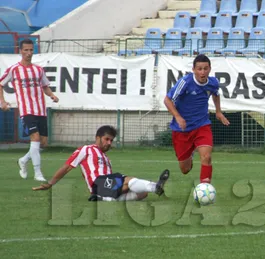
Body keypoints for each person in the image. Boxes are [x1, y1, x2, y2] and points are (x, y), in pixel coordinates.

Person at [32, 125, 170, 201]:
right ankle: (154, 186)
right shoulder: (86, 149)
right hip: (99, 183)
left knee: (142, 194)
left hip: (107, 184)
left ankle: (103, 198)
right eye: (106, 139)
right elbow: (67, 167)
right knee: (128, 180)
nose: (109, 143)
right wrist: (50, 183)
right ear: (98, 138)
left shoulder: (106, 158)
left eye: (111, 140)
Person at [164, 54, 229, 184]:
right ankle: (191, 153)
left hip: (202, 125)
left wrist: (218, 111)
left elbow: (215, 94)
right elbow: (167, 100)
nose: (202, 72)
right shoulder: (185, 82)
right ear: (193, 69)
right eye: (199, 69)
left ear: (210, 69)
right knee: (185, 169)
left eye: (205, 68)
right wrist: (178, 117)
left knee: (207, 156)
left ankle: (205, 188)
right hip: (182, 129)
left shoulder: (213, 82)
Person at [0, 38, 59, 182]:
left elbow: (45, 85)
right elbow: (0, 84)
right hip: (27, 110)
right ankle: (38, 173)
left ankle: (23, 160)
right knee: (36, 138)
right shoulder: (14, 69)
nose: (29, 53)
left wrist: (52, 95)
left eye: (31, 50)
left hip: (40, 109)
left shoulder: (38, 70)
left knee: (43, 143)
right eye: (26, 50)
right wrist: (2, 101)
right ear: (20, 51)